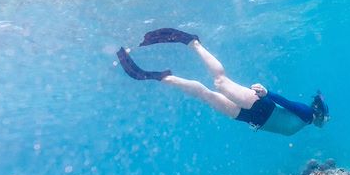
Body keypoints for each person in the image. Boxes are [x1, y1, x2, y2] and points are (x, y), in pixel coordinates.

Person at [116, 28, 329, 135]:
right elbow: (288, 104)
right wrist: (267, 93)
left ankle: (157, 76)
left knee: (205, 96)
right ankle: (192, 42)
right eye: (326, 119)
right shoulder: (308, 114)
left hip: (250, 118)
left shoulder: (306, 123)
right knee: (220, 82)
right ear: (319, 113)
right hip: (261, 105)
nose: (324, 123)